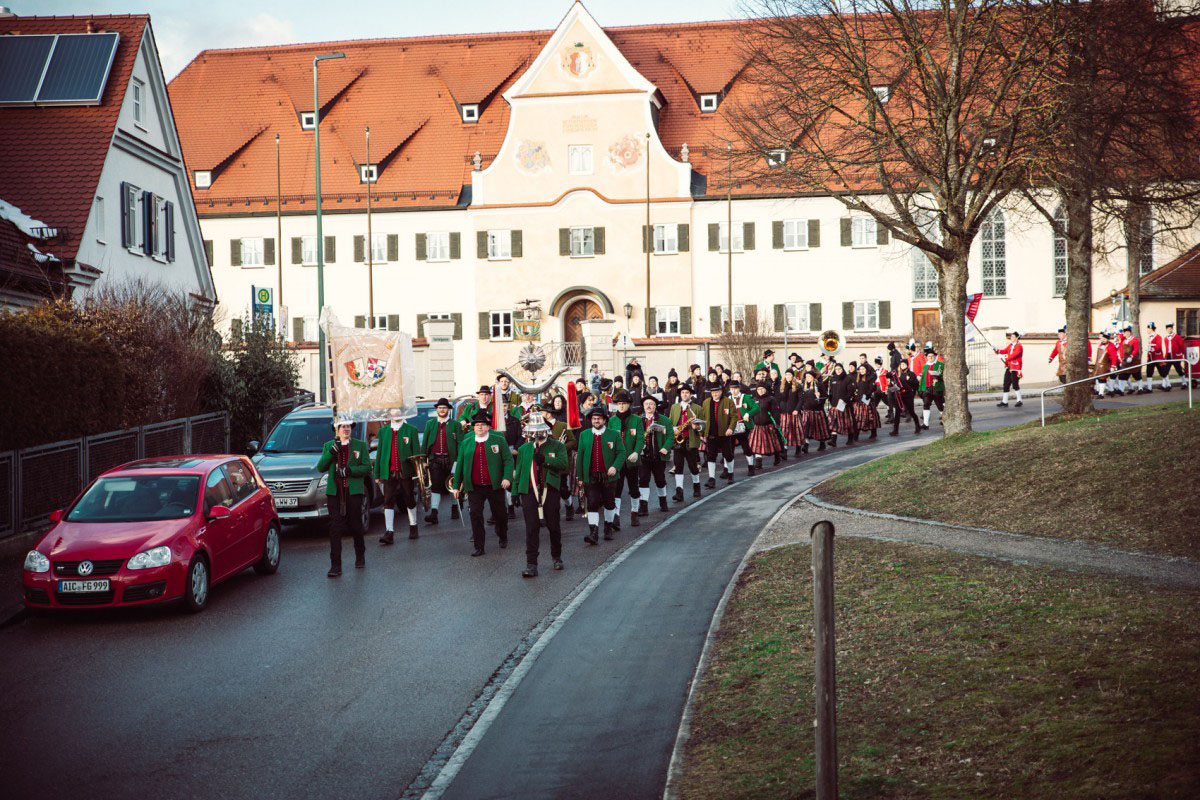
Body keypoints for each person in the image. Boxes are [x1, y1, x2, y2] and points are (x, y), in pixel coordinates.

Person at [512, 409, 568, 578]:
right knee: (531, 528)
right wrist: (515, 492)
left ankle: (557, 557)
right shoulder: (524, 449)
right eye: (533, 431)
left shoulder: (557, 446)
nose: (536, 434)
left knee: (553, 526)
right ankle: (531, 564)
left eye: (539, 430)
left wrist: (547, 461)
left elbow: (563, 464)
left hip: (549, 490)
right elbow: (520, 470)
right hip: (529, 491)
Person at [452, 410, 513, 557]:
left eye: (482, 425)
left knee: (500, 514)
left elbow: (508, 460)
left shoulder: (498, 440)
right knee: (475, 515)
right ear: (473, 427)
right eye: (477, 425)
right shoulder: (466, 443)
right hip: (474, 487)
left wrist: (506, 477)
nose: (479, 427)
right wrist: (455, 486)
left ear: (488, 427)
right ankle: (479, 546)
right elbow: (460, 464)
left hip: (495, 485)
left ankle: (502, 535)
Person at [317, 417, 371, 577]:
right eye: (343, 427)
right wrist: (332, 453)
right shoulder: (329, 446)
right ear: (337, 429)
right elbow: (321, 467)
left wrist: (350, 471)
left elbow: (367, 467)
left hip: (353, 491)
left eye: (348, 426)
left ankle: (360, 556)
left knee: (355, 525)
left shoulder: (360, 445)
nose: (346, 429)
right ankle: (335, 565)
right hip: (335, 492)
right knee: (335, 528)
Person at [577, 405, 626, 543]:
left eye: (599, 419)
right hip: (591, 476)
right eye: (594, 419)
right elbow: (580, 456)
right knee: (592, 503)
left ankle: (608, 528)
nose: (596, 421)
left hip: (608, 476)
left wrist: (615, 467)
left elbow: (622, 453)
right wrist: (580, 477)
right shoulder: (584, 435)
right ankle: (593, 533)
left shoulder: (614, 435)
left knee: (609, 503)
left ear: (604, 420)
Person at [375, 408, 421, 543]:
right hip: (389, 472)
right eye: (393, 412)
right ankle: (389, 531)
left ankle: (413, 525)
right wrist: (377, 473)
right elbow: (379, 453)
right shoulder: (383, 431)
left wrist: (417, 472)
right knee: (388, 500)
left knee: (409, 498)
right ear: (389, 414)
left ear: (403, 413)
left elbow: (416, 453)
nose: (395, 414)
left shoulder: (411, 430)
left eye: (398, 412)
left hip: (406, 471)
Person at [608, 390, 645, 529]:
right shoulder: (612, 421)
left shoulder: (636, 420)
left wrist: (636, 452)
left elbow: (640, 438)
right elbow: (609, 441)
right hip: (617, 461)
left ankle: (634, 512)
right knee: (617, 489)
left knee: (634, 488)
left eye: (624, 404)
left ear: (629, 405)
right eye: (619, 404)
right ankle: (616, 516)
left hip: (632, 460)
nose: (621, 406)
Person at [422, 398, 460, 526]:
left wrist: (459, 461)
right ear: (437, 409)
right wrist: (423, 460)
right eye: (439, 408)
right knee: (436, 486)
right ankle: (434, 513)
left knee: (452, 484)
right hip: (436, 459)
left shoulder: (455, 425)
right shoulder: (430, 424)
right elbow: (425, 443)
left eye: (444, 408)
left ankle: (455, 506)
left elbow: (460, 444)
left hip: (451, 459)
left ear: (448, 409)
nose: (442, 410)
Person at [669, 384, 706, 499]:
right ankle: (679, 491)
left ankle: (696, 487)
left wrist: (698, 428)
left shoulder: (697, 408)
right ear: (680, 395)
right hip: (678, 441)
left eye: (687, 393)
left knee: (693, 467)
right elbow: (670, 422)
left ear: (690, 394)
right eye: (683, 393)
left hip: (691, 440)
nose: (684, 395)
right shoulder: (674, 407)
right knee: (678, 467)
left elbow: (704, 425)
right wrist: (673, 429)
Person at [637, 395, 672, 515]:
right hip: (643, 456)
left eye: (651, 404)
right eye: (646, 404)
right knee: (643, 480)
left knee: (660, 480)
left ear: (655, 406)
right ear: (643, 406)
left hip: (658, 455)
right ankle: (643, 506)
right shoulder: (638, 420)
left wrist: (665, 448)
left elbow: (670, 436)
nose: (648, 406)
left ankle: (663, 502)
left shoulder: (664, 420)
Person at [702, 382, 738, 485]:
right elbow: (703, 418)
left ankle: (730, 474)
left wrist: (731, 428)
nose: (714, 394)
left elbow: (734, 417)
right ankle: (711, 479)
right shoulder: (706, 402)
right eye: (712, 392)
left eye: (716, 392)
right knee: (711, 456)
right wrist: (703, 433)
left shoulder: (728, 402)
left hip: (724, 434)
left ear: (721, 391)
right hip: (711, 433)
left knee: (728, 455)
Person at [749, 382, 785, 463]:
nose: (760, 391)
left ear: (765, 389)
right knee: (757, 445)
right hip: (757, 426)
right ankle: (758, 462)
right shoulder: (754, 400)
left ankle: (777, 456)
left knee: (773, 443)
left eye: (762, 389)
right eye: (758, 389)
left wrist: (777, 423)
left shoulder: (771, 399)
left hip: (768, 425)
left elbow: (775, 413)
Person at [729, 380, 760, 472]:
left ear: (739, 388)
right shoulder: (728, 399)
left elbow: (756, 408)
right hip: (732, 426)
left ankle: (751, 466)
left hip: (744, 426)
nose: (733, 391)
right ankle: (728, 470)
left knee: (746, 447)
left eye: (735, 389)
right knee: (729, 449)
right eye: (731, 389)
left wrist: (748, 414)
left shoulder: (746, 397)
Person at [825, 363, 857, 446]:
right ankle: (833, 440)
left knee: (847, 422)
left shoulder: (848, 378)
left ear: (842, 369)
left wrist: (844, 400)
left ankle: (850, 438)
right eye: (836, 369)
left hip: (844, 404)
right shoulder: (833, 379)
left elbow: (851, 392)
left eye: (839, 369)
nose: (838, 371)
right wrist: (830, 398)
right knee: (833, 422)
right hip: (835, 404)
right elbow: (831, 391)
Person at [889, 360, 922, 436]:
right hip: (899, 395)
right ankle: (895, 430)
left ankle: (918, 426)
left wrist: (909, 380)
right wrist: (893, 386)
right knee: (897, 412)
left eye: (904, 364)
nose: (902, 365)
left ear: (907, 365)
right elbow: (893, 382)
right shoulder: (898, 374)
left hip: (908, 395)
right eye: (901, 364)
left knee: (911, 412)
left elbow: (916, 384)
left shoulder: (911, 374)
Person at [799, 372, 830, 451]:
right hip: (807, 411)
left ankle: (822, 443)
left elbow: (825, 396)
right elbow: (801, 398)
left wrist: (820, 396)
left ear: (813, 377)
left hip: (817, 411)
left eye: (809, 376)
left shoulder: (819, 385)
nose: (808, 378)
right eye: (806, 376)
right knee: (805, 428)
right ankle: (806, 444)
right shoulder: (803, 386)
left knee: (819, 428)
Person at [778, 369, 805, 457]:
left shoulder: (798, 386)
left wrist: (797, 409)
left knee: (796, 431)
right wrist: (786, 387)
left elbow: (801, 399)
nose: (788, 376)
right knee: (784, 431)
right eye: (786, 375)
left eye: (789, 375)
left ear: (792, 376)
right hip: (784, 412)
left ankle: (798, 449)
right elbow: (782, 398)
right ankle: (784, 450)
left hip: (794, 412)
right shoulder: (782, 386)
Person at [851, 365, 881, 440]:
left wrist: (868, 394)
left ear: (866, 370)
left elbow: (872, 388)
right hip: (858, 401)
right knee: (857, 418)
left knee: (870, 418)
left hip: (867, 401)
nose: (862, 370)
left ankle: (873, 433)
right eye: (860, 369)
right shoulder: (857, 378)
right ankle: (855, 435)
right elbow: (855, 388)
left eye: (863, 369)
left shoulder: (870, 378)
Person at [919, 344, 946, 429]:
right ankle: (926, 424)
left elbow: (942, 374)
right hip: (927, 389)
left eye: (932, 356)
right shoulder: (925, 366)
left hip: (937, 388)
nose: (930, 357)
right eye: (929, 356)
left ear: (935, 356)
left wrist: (939, 376)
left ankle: (945, 420)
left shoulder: (940, 364)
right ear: (926, 357)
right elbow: (923, 378)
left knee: (940, 406)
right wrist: (921, 389)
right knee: (926, 404)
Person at [995, 331, 1024, 407]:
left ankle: (1019, 400)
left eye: (1013, 337)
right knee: (1006, 384)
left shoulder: (1019, 346)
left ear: (1017, 338)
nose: (1011, 338)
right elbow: (1004, 351)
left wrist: (1004, 357)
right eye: (1011, 337)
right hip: (1009, 367)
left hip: (1016, 368)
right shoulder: (1010, 345)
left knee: (1015, 384)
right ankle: (1005, 402)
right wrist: (997, 350)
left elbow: (1013, 355)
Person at [1162, 322, 1187, 390]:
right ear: (1166, 330)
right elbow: (1167, 348)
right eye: (1168, 329)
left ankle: (1184, 383)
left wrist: (1182, 354)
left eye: (1170, 329)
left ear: (1172, 329)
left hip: (1176, 356)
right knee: (1165, 371)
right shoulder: (1165, 338)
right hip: (1169, 356)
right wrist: (1165, 357)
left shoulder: (1177, 337)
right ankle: (1168, 385)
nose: (1169, 330)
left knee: (1178, 370)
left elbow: (1181, 346)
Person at [1093, 331, 1118, 397]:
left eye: (1104, 339)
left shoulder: (1111, 346)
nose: (1103, 340)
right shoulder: (1100, 345)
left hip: (1105, 365)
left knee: (1102, 379)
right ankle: (1111, 390)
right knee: (1099, 378)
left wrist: (1113, 366)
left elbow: (1114, 357)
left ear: (1107, 339)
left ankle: (1101, 394)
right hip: (1099, 365)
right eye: (1102, 338)